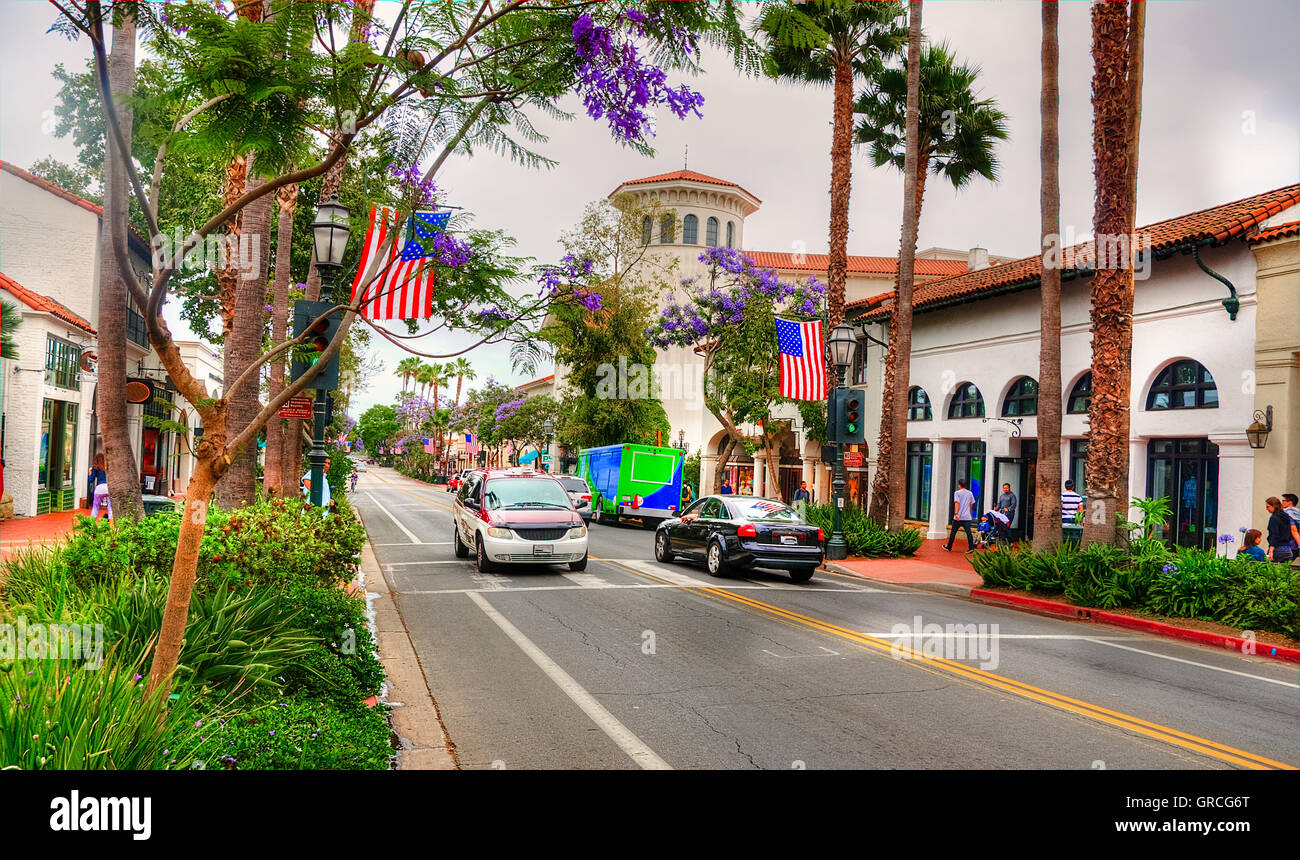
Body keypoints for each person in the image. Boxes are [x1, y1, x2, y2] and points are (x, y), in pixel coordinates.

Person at [943, 479, 978, 552]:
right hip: (967, 517)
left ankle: (949, 547)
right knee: (968, 533)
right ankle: (971, 548)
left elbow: (957, 503)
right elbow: (971, 504)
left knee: (953, 532)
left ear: (959, 485)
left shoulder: (957, 493)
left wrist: (956, 513)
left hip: (958, 517)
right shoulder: (970, 493)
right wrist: (969, 513)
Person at [1264, 497, 1295, 563]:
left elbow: (1274, 535)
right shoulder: (1286, 516)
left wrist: (1270, 551)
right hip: (1288, 550)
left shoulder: (1274, 518)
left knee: (1270, 570)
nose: (1266, 509)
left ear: (1274, 506)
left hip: (1277, 549)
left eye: (1268, 507)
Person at [88, 452, 111, 520]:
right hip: (108, 488)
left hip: (99, 488)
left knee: (95, 507)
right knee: (110, 508)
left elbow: (91, 480)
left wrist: (90, 474)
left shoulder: (95, 468)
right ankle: (112, 526)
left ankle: (92, 523)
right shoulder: (108, 467)